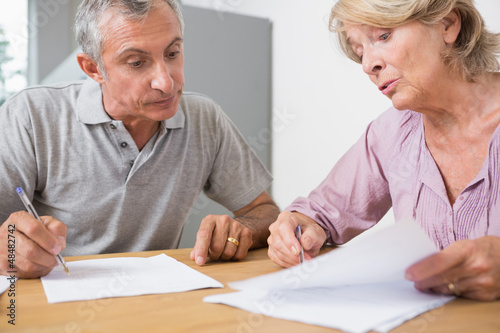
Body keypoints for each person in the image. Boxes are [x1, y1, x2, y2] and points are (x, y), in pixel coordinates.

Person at [0, 0, 279, 278]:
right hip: (52, 300)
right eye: (136, 63)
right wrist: (7, 248)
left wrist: (242, 229)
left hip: (154, 303)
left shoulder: (205, 119)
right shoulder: (30, 115)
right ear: (94, 69)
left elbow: (265, 212)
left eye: (173, 53)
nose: (166, 83)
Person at [267, 0, 500, 301]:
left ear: (448, 24)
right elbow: (320, 214)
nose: (367, 65)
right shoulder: (394, 131)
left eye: (383, 36)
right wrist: (297, 227)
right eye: (360, 50)